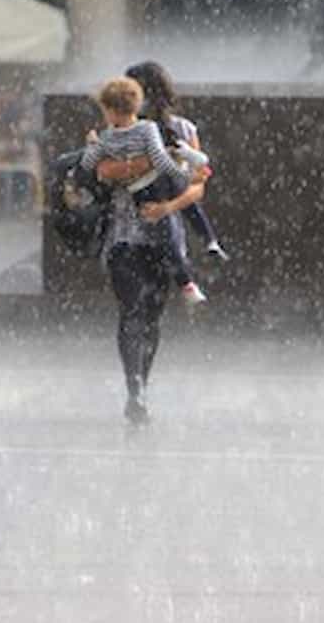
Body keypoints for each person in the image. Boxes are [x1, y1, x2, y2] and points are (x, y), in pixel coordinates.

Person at [77, 77, 208, 425]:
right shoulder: (119, 132)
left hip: (158, 236)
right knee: (136, 313)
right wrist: (156, 164)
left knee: (146, 316)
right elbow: (100, 170)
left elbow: (198, 184)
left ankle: (139, 385)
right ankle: (135, 386)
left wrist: (167, 201)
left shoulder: (177, 129)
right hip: (127, 237)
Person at [124, 60, 230, 262]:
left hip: (167, 231)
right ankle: (208, 242)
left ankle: (208, 242)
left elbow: (197, 186)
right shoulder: (121, 129)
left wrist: (166, 208)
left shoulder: (182, 129)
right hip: (125, 230)